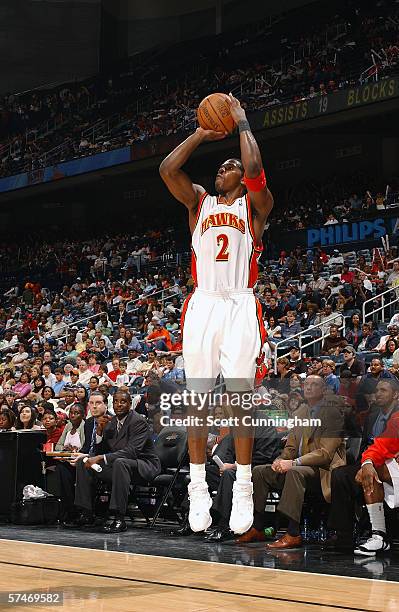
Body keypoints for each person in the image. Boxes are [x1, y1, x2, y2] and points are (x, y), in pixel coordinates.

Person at [159, 93, 274, 534]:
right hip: (204, 301)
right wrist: (200, 133)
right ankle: (197, 486)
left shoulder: (255, 207)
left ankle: (243, 484)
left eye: (229, 166)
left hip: (240, 302)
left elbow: (256, 170)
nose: (222, 170)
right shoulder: (199, 203)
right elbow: (168, 170)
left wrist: (242, 121)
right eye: (221, 166)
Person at [236, 376, 345, 549]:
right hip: (298, 465)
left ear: (324, 390)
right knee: (260, 471)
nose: (309, 388)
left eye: (314, 385)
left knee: (295, 472)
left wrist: (293, 463)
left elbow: (325, 453)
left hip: (323, 470)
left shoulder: (332, 414)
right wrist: (281, 459)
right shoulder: (300, 412)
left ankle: (293, 533)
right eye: (306, 384)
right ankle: (257, 526)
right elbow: (291, 446)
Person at [326, 379, 399, 553]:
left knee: (370, 472)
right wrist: (366, 462)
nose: (378, 393)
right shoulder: (372, 414)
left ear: (396, 395)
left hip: (383, 462)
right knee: (341, 474)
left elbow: (384, 444)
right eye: (377, 390)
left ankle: (379, 535)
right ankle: (345, 535)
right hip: (375, 460)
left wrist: (368, 462)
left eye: (383, 390)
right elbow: (374, 444)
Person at [72, 390, 161, 533]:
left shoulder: (138, 421)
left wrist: (101, 458)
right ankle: (86, 513)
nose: (119, 405)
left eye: (123, 401)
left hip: (142, 464)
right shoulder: (111, 422)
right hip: (118, 466)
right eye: (116, 401)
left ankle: (119, 518)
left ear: (130, 404)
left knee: (121, 462)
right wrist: (100, 432)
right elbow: (102, 449)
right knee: (84, 462)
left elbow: (132, 452)